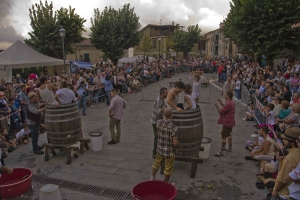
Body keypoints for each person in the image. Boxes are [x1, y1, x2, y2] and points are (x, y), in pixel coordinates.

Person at [151, 108, 179, 182]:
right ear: (171, 116)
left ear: (163, 115)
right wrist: (176, 148)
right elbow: (175, 142)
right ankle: (166, 181)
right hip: (169, 151)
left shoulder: (158, 122)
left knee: (156, 163)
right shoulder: (173, 127)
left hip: (159, 149)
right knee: (168, 167)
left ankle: (152, 177)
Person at [271, 128, 300, 199]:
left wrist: (275, 190)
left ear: (293, 142)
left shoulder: (291, 157)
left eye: (285, 139)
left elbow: (283, 179)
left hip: (285, 193)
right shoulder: (294, 154)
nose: (283, 140)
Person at [213, 91, 235, 156]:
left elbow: (220, 112)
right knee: (229, 135)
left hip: (227, 123)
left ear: (228, 96)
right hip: (231, 122)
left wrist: (217, 106)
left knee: (223, 136)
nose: (224, 96)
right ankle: (230, 147)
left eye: (225, 95)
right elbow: (227, 108)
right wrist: (221, 104)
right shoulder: (232, 103)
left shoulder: (228, 104)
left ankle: (221, 151)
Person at [151, 87, 168, 157]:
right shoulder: (158, 101)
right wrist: (165, 108)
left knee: (159, 137)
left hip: (160, 121)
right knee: (157, 137)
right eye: (166, 93)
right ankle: (154, 153)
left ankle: (158, 151)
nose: (167, 94)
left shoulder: (162, 100)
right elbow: (157, 112)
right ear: (162, 93)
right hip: (155, 121)